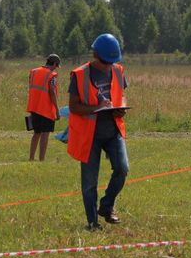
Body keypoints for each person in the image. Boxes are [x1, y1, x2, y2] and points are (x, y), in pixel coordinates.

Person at [67, 34, 129, 231]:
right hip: (89, 134)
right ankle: (92, 223)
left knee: (122, 168)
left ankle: (107, 206)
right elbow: (74, 107)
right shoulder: (79, 75)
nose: (107, 66)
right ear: (95, 55)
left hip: (113, 130)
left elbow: (123, 96)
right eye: (104, 61)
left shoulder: (118, 71)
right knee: (89, 182)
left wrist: (121, 108)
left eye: (111, 62)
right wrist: (96, 108)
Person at [26, 54, 61, 161]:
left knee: (36, 133)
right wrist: (57, 110)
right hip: (46, 109)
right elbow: (52, 92)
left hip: (34, 106)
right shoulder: (52, 75)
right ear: (54, 64)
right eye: (56, 65)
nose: (56, 68)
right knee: (45, 134)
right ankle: (42, 159)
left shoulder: (34, 71)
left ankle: (31, 158)